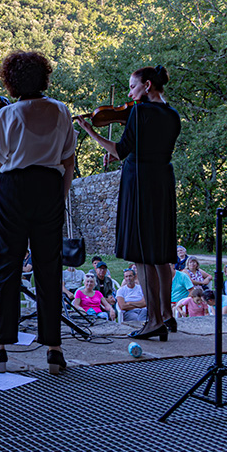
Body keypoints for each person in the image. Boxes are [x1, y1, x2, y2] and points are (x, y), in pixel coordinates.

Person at [0, 51, 75, 374]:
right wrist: (58, 198)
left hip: (14, 190)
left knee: (7, 267)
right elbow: (68, 161)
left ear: (11, 80)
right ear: (44, 77)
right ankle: (54, 349)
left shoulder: (7, 115)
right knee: (49, 269)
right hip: (49, 187)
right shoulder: (62, 111)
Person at [77, 65, 180, 342]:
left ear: (147, 85)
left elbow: (120, 150)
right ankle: (167, 315)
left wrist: (91, 132)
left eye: (133, 87)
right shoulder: (172, 115)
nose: (129, 93)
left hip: (140, 184)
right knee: (159, 254)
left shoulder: (139, 111)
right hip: (162, 181)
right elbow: (146, 148)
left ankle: (154, 320)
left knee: (143, 255)